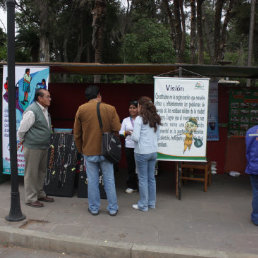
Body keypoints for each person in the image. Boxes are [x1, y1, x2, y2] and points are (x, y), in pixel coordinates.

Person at [73, 85, 121, 216]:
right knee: (109, 180)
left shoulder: (81, 109)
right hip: (107, 151)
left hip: (89, 150)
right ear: (99, 95)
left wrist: (80, 149)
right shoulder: (110, 108)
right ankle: (112, 208)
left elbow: (76, 133)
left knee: (92, 181)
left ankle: (94, 208)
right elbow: (117, 128)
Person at [17, 89, 54, 207]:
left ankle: (39, 193)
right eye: (47, 97)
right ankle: (31, 198)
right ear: (40, 98)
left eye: (49, 96)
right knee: (31, 173)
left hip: (43, 146)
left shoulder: (45, 111)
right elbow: (22, 129)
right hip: (33, 147)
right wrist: (22, 140)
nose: (50, 99)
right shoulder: (32, 111)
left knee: (41, 171)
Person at [131, 96, 161, 212]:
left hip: (141, 152)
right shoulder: (156, 118)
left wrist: (131, 134)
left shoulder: (139, 119)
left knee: (142, 179)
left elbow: (136, 138)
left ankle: (143, 205)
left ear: (141, 106)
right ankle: (151, 203)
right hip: (153, 151)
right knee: (151, 178)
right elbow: (158, 136)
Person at [119, 100, 138, 194]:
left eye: (134, 108)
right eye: (130, 108)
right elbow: (120, 132)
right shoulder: (125, 120)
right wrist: (125, 133)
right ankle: (131, 186)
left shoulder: (141, 119)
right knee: (131, 167)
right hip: (129, 146)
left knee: (139, 167)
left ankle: (140, 185)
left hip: (140, 146)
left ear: (138, 109)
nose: (132, 109)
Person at [245, 125, 258, 226]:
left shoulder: (251, 131)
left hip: (254, 166)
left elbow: (247, 150)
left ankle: (256, 217)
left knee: (256, 192)